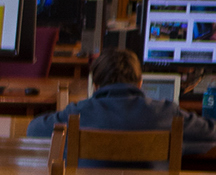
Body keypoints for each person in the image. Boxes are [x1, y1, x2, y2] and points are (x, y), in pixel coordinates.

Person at [28, 48, 215, 162]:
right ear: (141, 83)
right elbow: (211, 134)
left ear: (96, 86)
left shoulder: (77, 114)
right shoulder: (167, 114)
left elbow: (33, 130)